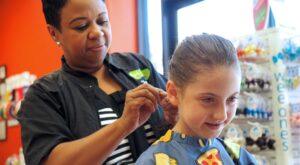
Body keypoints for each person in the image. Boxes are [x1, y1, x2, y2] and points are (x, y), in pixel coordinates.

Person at [17, 0, 177, 165]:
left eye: (102, 21)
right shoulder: (44, 95)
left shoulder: (138, 65)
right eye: (81, 26)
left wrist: (176, 118)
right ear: (54, 33)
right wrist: (123, 125)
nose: (96, 32)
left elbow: (180, 124)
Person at [136, 34, 258, 165]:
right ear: (174, 93)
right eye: (208, 99)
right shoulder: (154, 161)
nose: (221, 115)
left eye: (232, 98)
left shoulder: (238, 157)